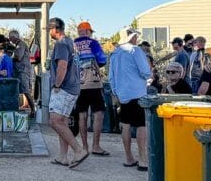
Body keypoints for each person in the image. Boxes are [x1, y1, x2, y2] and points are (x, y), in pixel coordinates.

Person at [46, 17, 87, 168]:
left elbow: (62, 66)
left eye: (49, 29)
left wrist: (57, 84)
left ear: (54, 29)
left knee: (55, 121)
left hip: (64, 87)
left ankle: (78, 150)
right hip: (74, 87)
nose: (48, 32)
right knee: (62, 122)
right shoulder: (70, 42)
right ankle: (62, 156)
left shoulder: (61, 44)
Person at [109, 28, 152, 170]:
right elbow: (145, 72)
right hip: (137, 92)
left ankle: (128, 158)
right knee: (141, 125)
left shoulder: (115, 53)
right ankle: (143, 160)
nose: (136, 39)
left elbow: (111, 76)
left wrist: (116, 92)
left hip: (123, 94)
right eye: (135, 36)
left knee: (126, 124)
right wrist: (149, 76)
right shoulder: (136, 50)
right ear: (132, 37)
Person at [74, 21, 109, 157]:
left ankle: (84, 146)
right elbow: (101, 60)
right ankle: (96, 145)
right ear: (88, 31)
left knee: (82, 114)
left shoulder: (73, 44)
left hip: (79, 84)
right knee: (98, 113)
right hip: (94, 83)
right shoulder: (93, 43)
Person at [8, 30, 36, 118]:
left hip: (23, 71)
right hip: (18, 71)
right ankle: (18, 109)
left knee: (26, 91)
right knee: (18, 91)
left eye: (10, 37)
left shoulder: (21, 44)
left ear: (14, 37)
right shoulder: (17, 45)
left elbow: (18, 57)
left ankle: (33, 110)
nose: (9, 39)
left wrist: (10, 55)